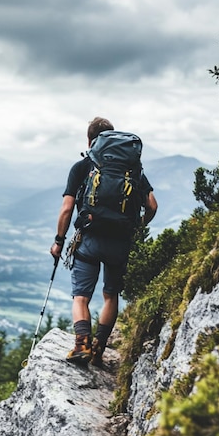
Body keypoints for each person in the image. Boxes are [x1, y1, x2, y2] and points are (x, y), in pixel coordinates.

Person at [50, 117, 158, 366]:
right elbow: (152, 205)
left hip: (89, 239)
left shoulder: (82, 166)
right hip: (119, 241)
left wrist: (58, 241)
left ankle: (82, 345)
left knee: (81, 297)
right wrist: (137, 227)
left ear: (90, 140)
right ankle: (99, 348)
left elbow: (66, 210)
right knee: (110, 295)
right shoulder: (132, 171)